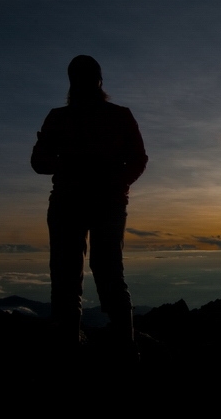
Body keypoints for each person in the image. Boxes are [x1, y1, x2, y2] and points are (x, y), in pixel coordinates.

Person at [31, 55, 148, 346]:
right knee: (96, 272)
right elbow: (138, 159)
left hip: (81, 202)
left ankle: (76, 349)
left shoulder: (61, 117)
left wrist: (65, 162)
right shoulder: (115, 115)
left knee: (70, 275)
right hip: (93, 202)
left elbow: (39, 161)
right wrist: (118, 182)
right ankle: (122, 350)